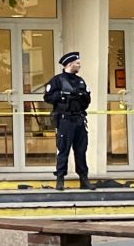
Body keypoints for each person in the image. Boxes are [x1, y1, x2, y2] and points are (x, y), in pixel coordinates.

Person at [44, 51, 96, 191]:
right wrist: (61, 95)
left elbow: (87, 100)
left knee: (81, 150)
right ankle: (60, 179)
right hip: (65, 120)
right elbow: (48, 97)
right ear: (69, 64)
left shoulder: (80, 81)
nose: (79, 65)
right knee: (63, 150)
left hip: (79, 119)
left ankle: (83, 179)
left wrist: (80, 96)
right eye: (77, 63)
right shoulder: (57, 80)